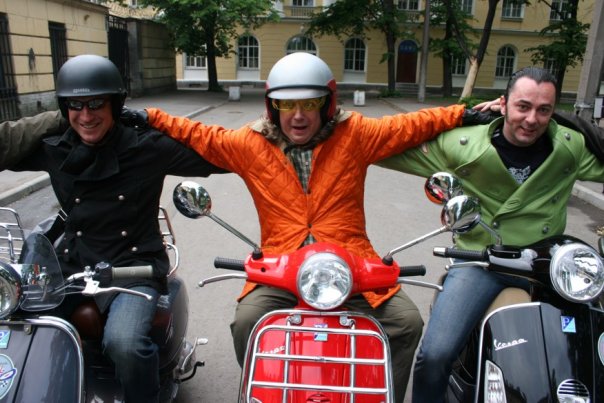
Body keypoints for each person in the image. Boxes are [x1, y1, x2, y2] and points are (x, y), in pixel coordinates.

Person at [125, 51, 495, 402]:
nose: (298, 116)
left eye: (310, 103)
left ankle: (379, 395)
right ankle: (270, 390)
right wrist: (150, 116)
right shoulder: (249, 144)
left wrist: (463, 114)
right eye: (287, 105)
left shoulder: (356, 134)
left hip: (351, 264)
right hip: (280, 267)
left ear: (327, 104)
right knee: (247, 323)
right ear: (273, 107)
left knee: (406, 323)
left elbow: (411, 125)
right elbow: (200, 135)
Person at [3, 54, 224, 403]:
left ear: (115, 105)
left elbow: (220, 153)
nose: (86, 115)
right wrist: (54, 120)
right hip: (72, 265)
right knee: (21, 329)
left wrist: (157, 119)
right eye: (75, 105)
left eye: (96, 104)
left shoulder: (145, 146)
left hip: (133, 268)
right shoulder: (56, 146)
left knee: (125, 343)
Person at [378, 67, 604, 402]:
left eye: (544, 110)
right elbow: (384, 144)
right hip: (482, 262)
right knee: (435, 354)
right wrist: (456, 116)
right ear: (503, 103)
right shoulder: (465, 145)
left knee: (587, 348)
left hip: (547, 265)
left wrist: (571, 122)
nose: (531, 120)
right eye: (523, 106)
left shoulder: (568, 147)